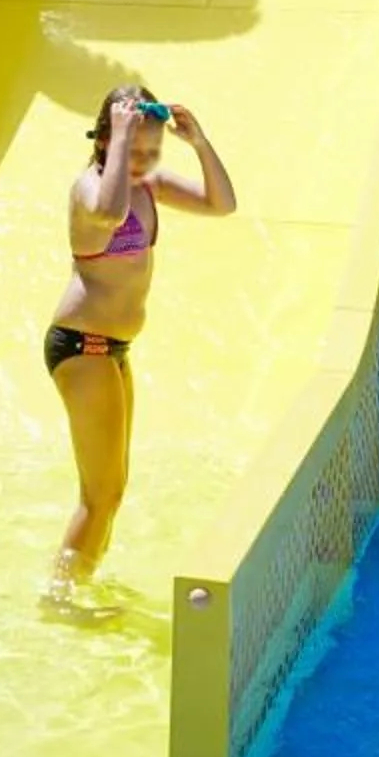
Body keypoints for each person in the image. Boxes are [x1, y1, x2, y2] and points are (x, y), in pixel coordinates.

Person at [45, 84, 237, 606]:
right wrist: (124, 136)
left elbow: (222, 205)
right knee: (100, 492)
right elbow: (107, 216)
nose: (142, 162)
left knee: (111, 490)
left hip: (113, 350)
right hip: (82, 346)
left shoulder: (147, 186)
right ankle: (58, 598)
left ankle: (78, 583)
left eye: (152, 153)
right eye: (132, 150)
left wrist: (198, 144)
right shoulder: (91, 188)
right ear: (105, 140)